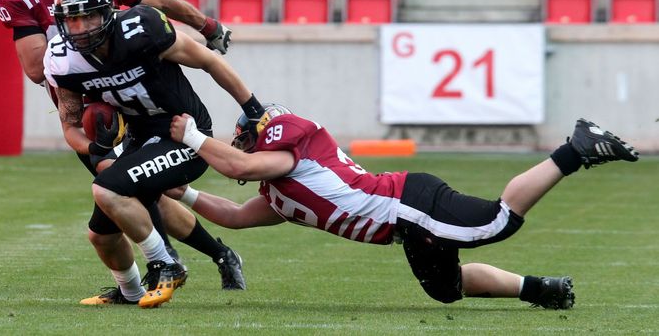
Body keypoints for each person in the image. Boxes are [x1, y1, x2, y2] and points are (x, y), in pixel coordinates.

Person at [169, 104, 640, 309]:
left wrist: (192, 137)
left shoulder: (285, 158)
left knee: (499, 221)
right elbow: (233, 214)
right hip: (406, 224)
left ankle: (576, 149)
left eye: (245, 140)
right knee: (447, 289)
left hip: (406, 203)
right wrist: (182, 194)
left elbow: (237, 166)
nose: (242, 147)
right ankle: (543, 289)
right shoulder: (279, 193)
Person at [0, 0, 243, 291]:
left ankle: (171, 262)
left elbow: (159, 1)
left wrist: (205, 24)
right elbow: (34, 68)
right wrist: (78, 54)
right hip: (90, 109)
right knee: (132, 192)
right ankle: (196, 259)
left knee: (130, 189)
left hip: (130, 99)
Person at [43, 0, 263, 307]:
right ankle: (131, 293)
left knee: (109, 189)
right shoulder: (63, 60)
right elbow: (70, 126)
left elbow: (207, 61)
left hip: (186, 137)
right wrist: (93, 147)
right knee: (100, 235)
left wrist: (253, 108)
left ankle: (166, 263)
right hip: (141, 138)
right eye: (73, 19)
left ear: (107, 12)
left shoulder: (142, 30)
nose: (82, 27)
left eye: (89, 16)